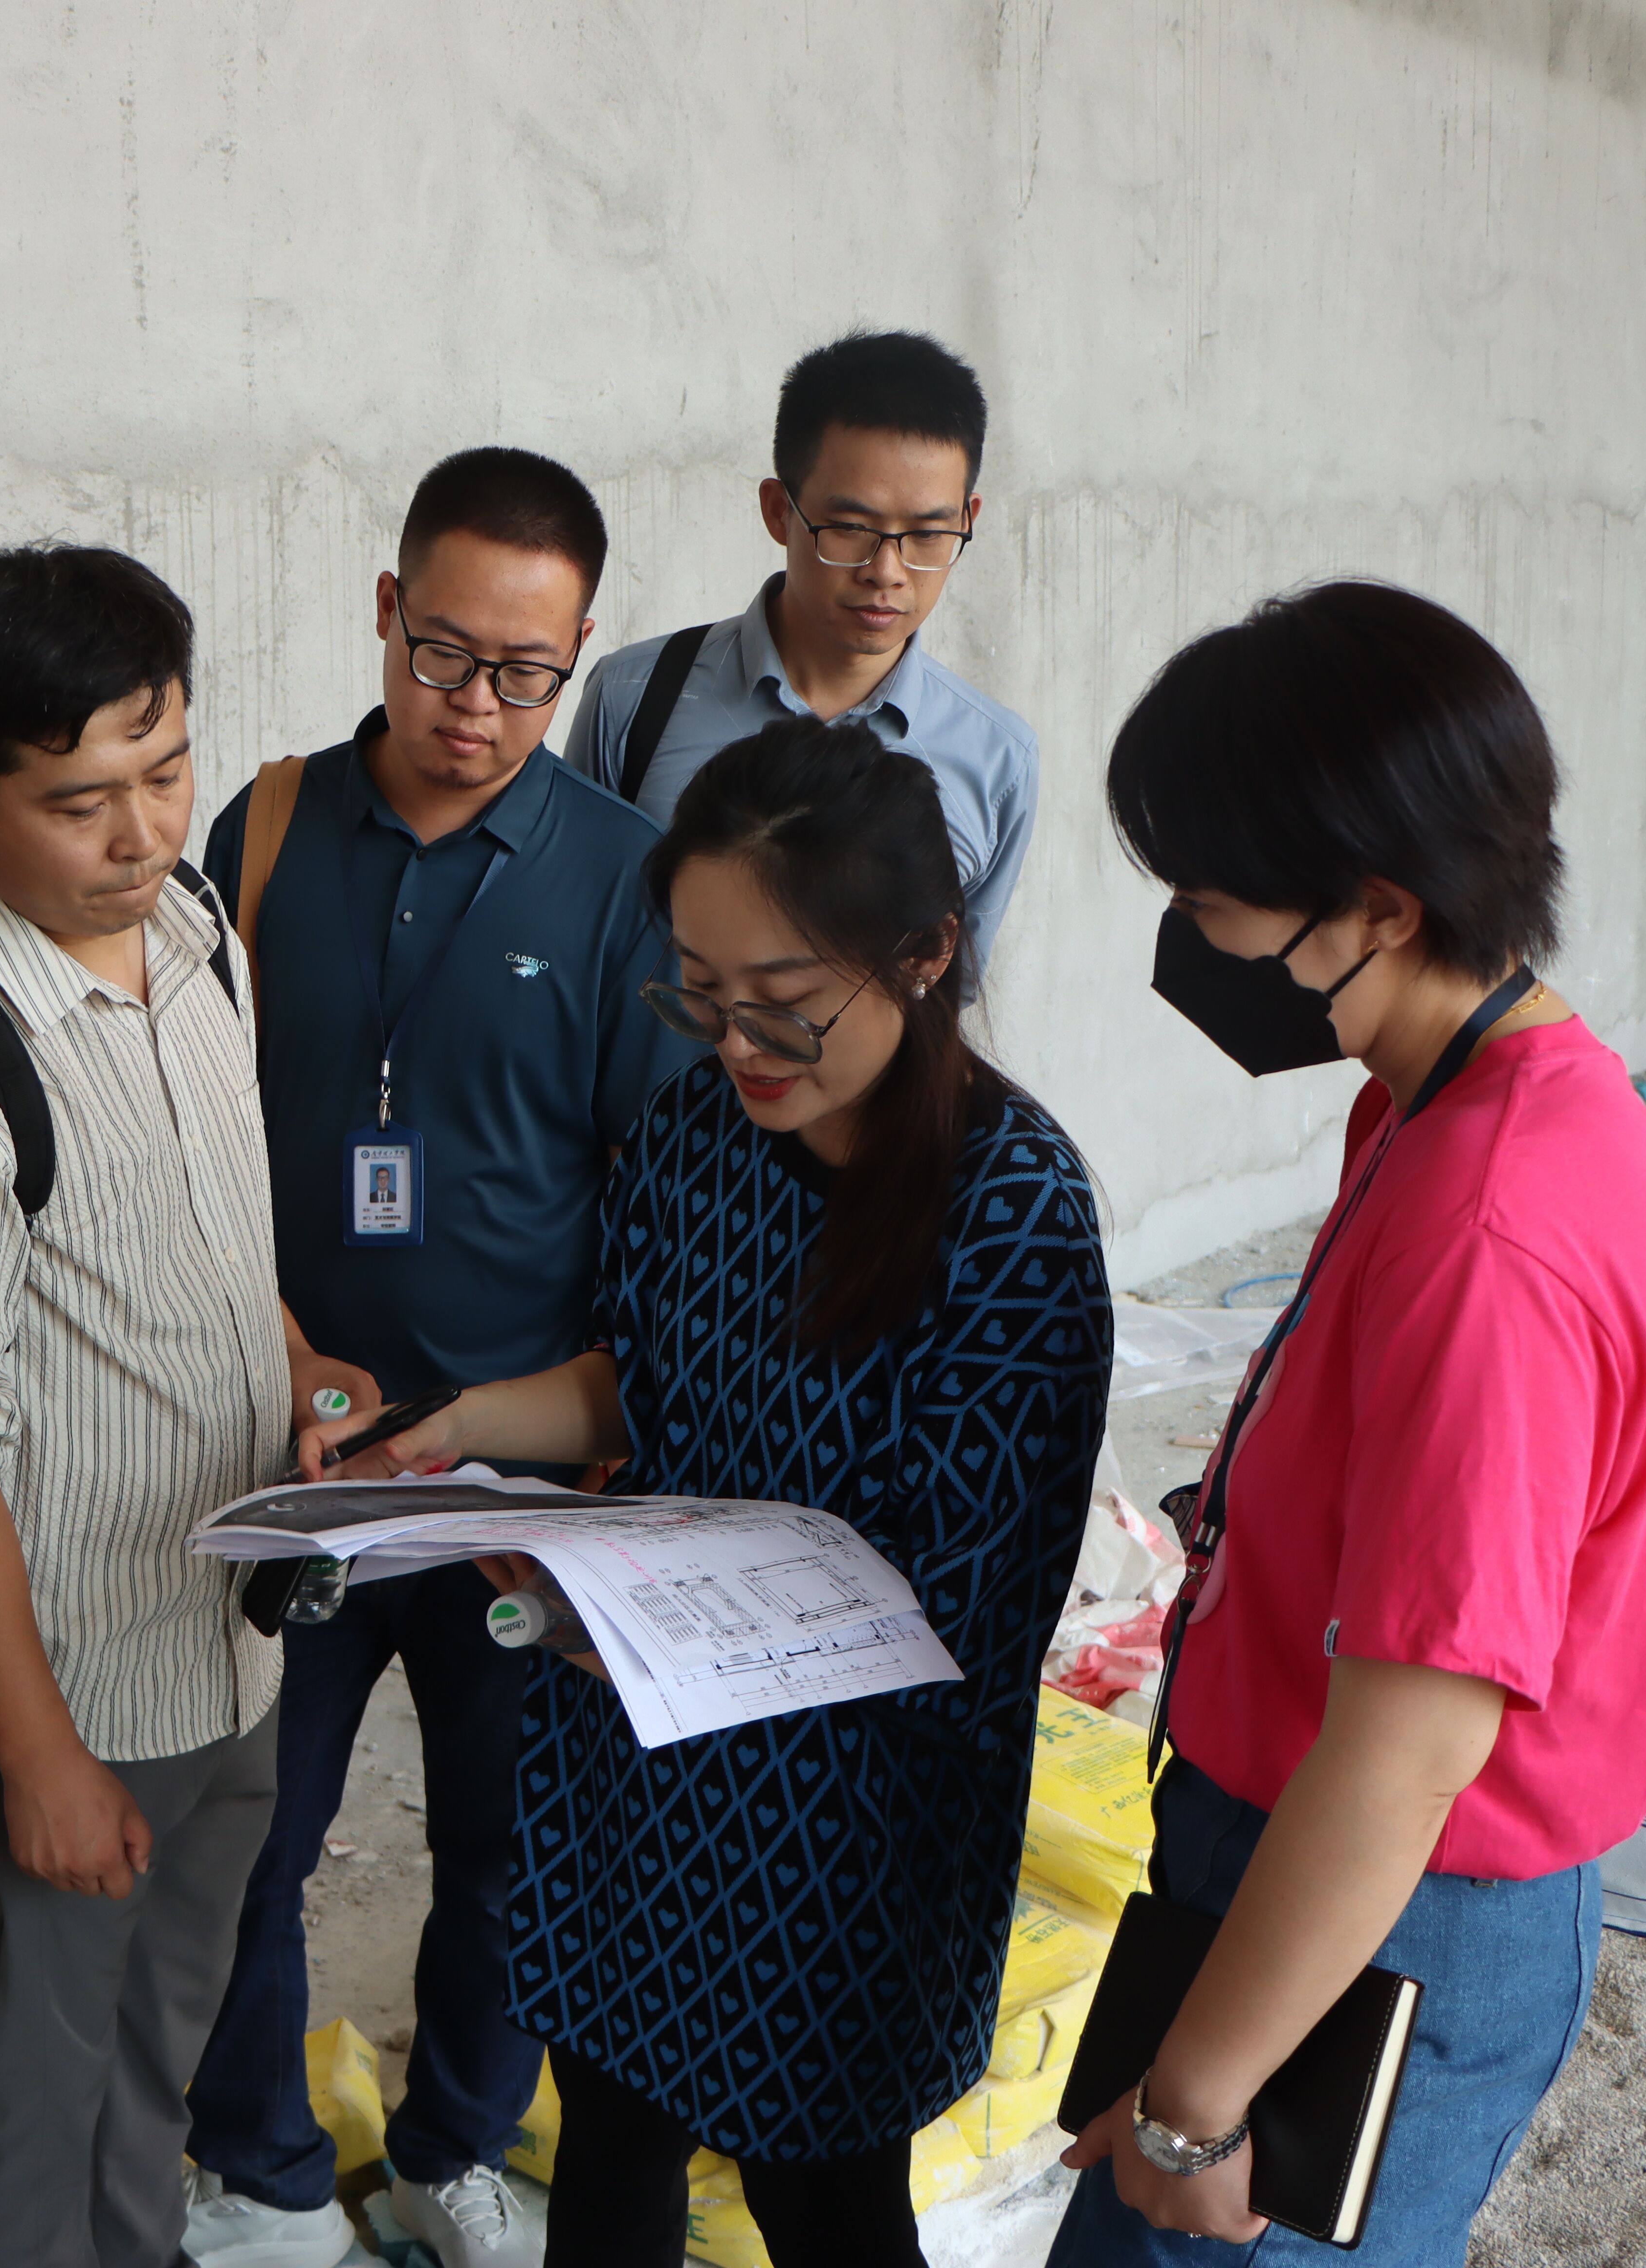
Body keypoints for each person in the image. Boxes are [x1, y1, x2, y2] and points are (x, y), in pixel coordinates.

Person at [313, 715, 1112, 2268]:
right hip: (643, 1770)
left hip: (848, 1818)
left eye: (788, 1005)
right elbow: (649, 1381)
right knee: (611, 2140)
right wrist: (461, 1427)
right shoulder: (699, 1133)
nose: (740, 1044)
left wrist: (665, 1636)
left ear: (926, 955)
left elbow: (974, 1614)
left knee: (825, 2205)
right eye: (700, 991)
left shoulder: (1009, 1205)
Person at [1048, 584, 1646, 2266]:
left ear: (1379, 909)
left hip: (1388, 1910)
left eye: (1213, 904)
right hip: (1300, 1863)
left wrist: (1202, 2102)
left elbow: (1410, 1748)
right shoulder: (1441, 1104)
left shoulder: (1496, 1230)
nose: (1192, 942)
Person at [0, 544, 367, 2268]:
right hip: (58, 1666)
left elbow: (214, 1228)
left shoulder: (189, 929)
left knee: (156, 2030)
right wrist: (36, 1755)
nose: (141, 836)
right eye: (78, 803)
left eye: (166, 771)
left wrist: (293, 1364)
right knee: (36, 2069)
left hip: (221, 1627)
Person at [182, 448, 697, 2268]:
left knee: (510, 1848)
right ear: (388, 610)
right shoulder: (259, 833)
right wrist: (279, 1345)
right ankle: (256, 2172)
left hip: (522, 1486)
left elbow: (659, 1187)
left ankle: (452, 2148)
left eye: (526, 673)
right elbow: (187, 1136)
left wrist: (611, 1454)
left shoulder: (628, 877)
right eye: (445, 655)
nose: (476, 705)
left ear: (579, 656)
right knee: (256, 1835)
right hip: (296, 1459)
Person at [566, 329, 1037, 967]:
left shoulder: (997, 759)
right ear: (778, 511)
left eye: (929, 534)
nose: (887, 572)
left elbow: (947, 993)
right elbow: (581, 945)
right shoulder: (634, 697)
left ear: (967, 519)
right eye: (850, 528)